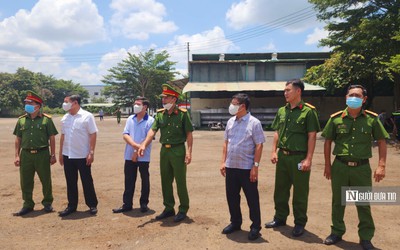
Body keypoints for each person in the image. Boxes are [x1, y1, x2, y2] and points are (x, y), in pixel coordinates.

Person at [321, 85, 388, 250]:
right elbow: (328, 141)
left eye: (357, 95)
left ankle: (365, 238)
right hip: (340, 166)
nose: (354, 98)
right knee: (338, 201)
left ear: (364, 99)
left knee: (363, 203)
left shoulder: (372, 119)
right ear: (346, 97)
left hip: (361, 168)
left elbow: (381, 141)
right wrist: (327, 165)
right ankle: (336, 232)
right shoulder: (336, 118)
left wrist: (381, 165)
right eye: (351, 95)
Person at [265, 79, 320, 237]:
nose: (285, 93)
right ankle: (280, 217)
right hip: (283, 156)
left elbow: (312, 136)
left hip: (299, 158)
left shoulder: (308, 111)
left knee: (300, 193)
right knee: (280, 190)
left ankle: (299, 222)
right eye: (284, 90)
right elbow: (277, 131)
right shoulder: (282, 111)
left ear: (298, 92)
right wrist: (274, 151)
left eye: (288, 90)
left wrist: (308, 159)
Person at [138, 84, 193, 223]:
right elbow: (152, 131)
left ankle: (183, 209)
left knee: (180, 181)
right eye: (163, 98)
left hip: (178, 150)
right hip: (165, 151)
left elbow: (189, 134)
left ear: (174, 99)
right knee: (165, 181)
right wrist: (144, 144)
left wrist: (189, 152)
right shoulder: (160, 114)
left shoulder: (182, 115)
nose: (164, 100)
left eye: (166, 98)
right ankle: (169, 208)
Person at [220, 93, 265, 240]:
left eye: (234, 104)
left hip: (247, 168)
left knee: (252, 198)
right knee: (232, 197)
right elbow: (226, 143)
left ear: (243, 106)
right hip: (231, 166)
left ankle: (255, 227)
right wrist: (223, 162)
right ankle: (235, 222)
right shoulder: (230, 122)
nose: (231, 106)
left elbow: (259, 145)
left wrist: (255, 166)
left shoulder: (254, 123)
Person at [12, 91, 58, 216]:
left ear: (38, 106)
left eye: (30, 103)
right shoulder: (21, 120)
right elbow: (18, 139)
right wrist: (17, 155)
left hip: (42, 153)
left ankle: (47, 203)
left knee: (45, 179)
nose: (27, 105)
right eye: (26, 103)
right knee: (25, 180)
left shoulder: (46, 120)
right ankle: (27, 204)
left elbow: (52, 137)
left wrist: (53, 154)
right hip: (26, 154)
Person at [58, 95, 99, 217]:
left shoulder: (87, 116)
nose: (64, 104)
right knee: (70, 181)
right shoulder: (65, 118)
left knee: (87, 180)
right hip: (68, 154)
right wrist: (60, 153)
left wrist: (91, 152)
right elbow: (63, 136)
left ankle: (92, 204)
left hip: (82, 155)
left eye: (66, 102)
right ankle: (71, 205)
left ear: (75, 103)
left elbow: (93, 134)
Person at [113, 97, 155, 213]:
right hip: (129, 155)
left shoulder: (150, 120)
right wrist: (136, 147)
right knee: (129, 180)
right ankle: (127, 204)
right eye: (135, 104)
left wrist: (137, 152)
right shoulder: (130, 118)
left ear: (145, 107)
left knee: (144, 180)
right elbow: (125, 134)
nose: (135, 106)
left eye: (138, 104)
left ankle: (144, 203)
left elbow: (149, 138)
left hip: (144, 156)